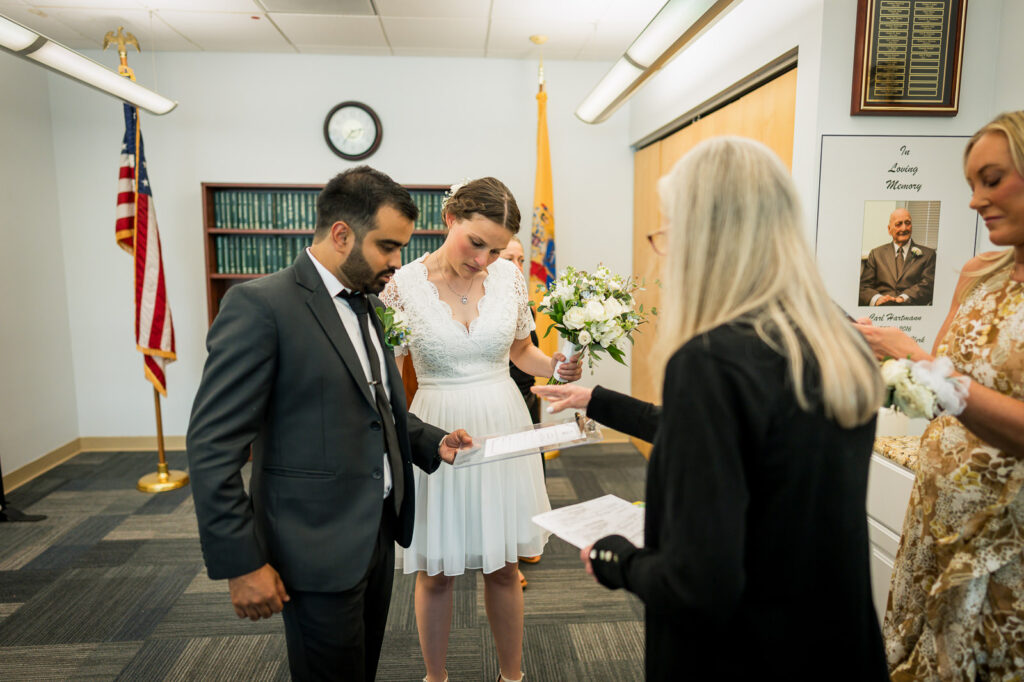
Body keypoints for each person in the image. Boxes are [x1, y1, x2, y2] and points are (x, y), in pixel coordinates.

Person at [535, 137, 889, 680]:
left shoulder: (712, 359)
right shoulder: (835, 337)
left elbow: (698, 583)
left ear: (705, 237)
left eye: (669, 229)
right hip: (834, 642)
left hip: (744, 654)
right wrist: (596, 399)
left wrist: (618, 560)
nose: (665, 248)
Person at [186, 166, 472, 682]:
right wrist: (241, 563)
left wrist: (430, 441)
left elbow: (374, 406)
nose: (396, 262)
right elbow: (212, 446)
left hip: (376, 531)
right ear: (341, 234)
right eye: (387, 246)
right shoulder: (261, 306)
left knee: (359, 668)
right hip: (312, 541)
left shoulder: (368, 302)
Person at [380, 177, 581, 682]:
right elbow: (384, 371)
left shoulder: (510, 280)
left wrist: (556, 368)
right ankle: (436, 676)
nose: (484, 260)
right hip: (437, 425)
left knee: (504, 566)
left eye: (496, 249)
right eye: (476, 243)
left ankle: (511, 677)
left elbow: (520, 352)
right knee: (438, 571)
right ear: (450, 219)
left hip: (503, 420)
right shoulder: (401, 286)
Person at [854, 112, 1024, 681]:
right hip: (937, 512)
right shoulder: (979, 273)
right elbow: (947, 388)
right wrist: (887, 367)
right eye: (972, 183)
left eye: (993, 179)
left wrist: (915, 358)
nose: (976, 200)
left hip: (1004, 536)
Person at [498, 238, 543, 589]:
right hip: (486, 395)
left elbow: (525, 350)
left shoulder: (517, 294)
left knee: (515, 476)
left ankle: (512, 548)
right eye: (507, 256)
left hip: (521, 392)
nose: (517, 265)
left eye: (521, 258)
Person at [859, 207, 937, 306]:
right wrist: (878, 299)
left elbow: (928, 285)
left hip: (911, 310)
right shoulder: (876, 254)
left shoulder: (928, 255)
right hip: (882, 310)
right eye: (898, 224)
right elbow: (863, 287)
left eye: (907, 223)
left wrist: (903, 297)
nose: (904, 228)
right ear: (889, 229)